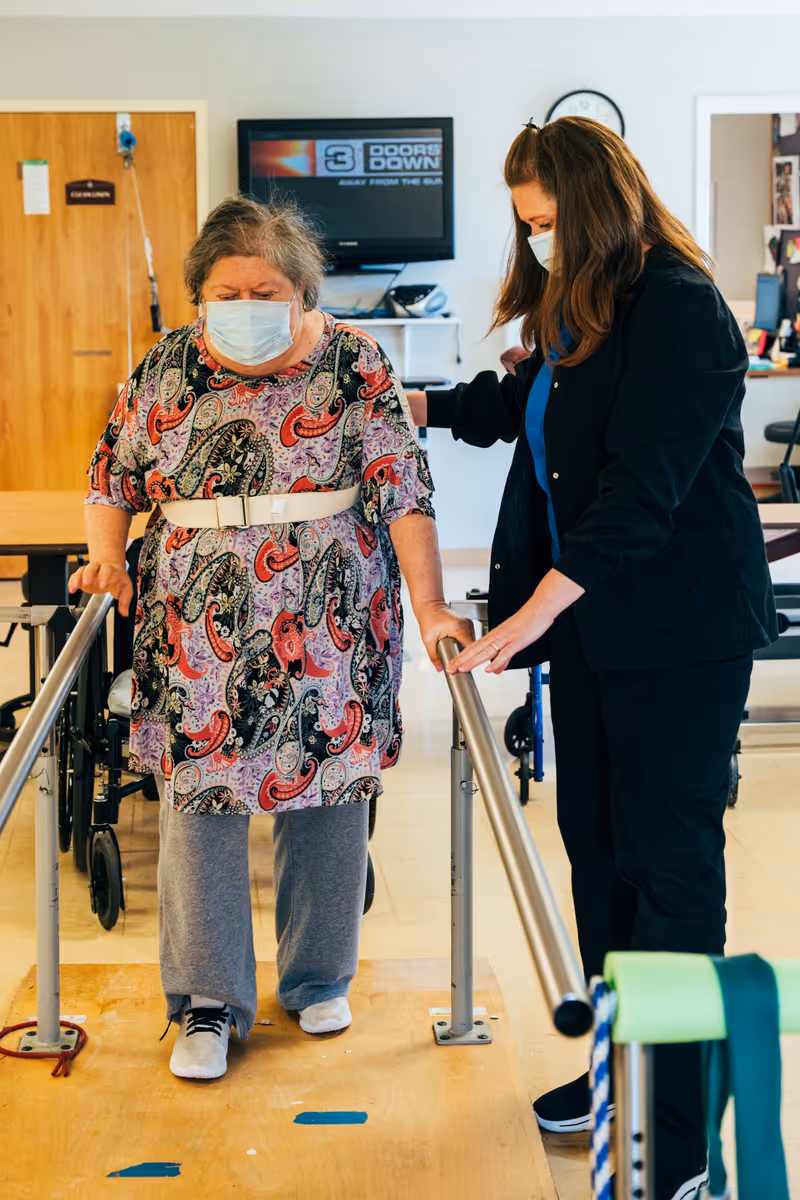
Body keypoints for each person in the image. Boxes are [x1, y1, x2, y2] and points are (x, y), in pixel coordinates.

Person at [407, 117, 777, 1200]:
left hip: (678, 633)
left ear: (601, 199)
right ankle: (618, 1072)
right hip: (593, 631)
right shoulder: (576, 310)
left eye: (550, 220)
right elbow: (520, 411)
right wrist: (405, 407)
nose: (540, 242)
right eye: (527, 226)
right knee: (595, 854)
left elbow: (641, 490)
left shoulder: (680, 306)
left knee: (664, 868)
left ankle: (674, 1144)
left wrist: (531, 614)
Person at [71, 196, 473, 1081]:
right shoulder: (165, 367)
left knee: (330, 793)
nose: (244, 305)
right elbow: (112, 476)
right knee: (201, 807)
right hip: (195, 627)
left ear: (302, 294)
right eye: (226, 291)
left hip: (330, 613)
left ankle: (319, 977)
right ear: (197, 296)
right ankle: (208, 1004)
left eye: (265, 290)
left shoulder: (352, 362)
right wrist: (106, 557)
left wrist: (434, 606)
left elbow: (404, 491)